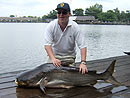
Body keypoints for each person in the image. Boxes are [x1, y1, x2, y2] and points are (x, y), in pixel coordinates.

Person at [43, 2, 88, 74]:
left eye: (64, 12)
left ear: (69, 14)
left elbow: (82, 46)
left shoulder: (75, 26)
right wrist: (53, 59)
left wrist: (83, 63)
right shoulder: (51, 26)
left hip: (69, 57)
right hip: (55, 56)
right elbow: (47, 45)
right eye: (59, 12)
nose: (61, 15)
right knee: (48, 74)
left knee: (72, 75)